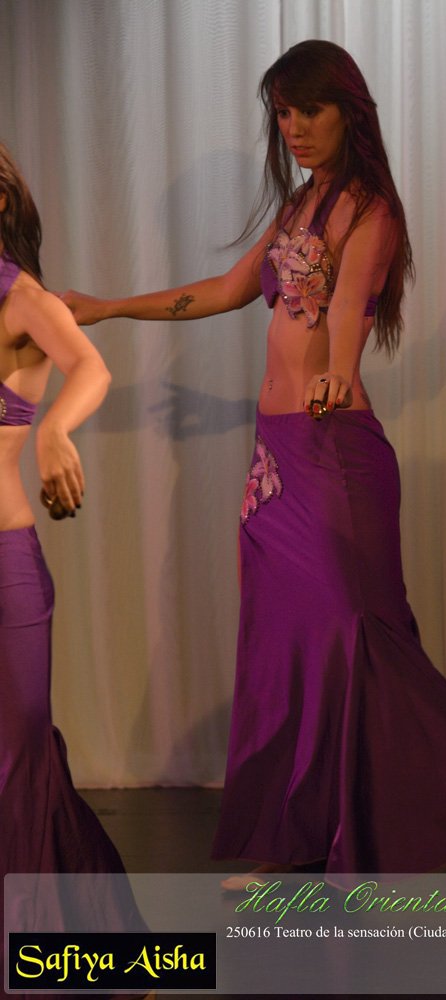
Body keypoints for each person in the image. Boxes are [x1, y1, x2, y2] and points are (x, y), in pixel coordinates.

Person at [64, 40, 446, 902]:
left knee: (365, 646)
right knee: (286, 652)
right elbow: (224, 290)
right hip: (275, 457)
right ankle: (300, 842)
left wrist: (338, 372)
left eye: (309, 110)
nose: (294, 128)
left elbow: (349, 306)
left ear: (347, 112)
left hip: (334, 454)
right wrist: (107, 308)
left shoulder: (370, 210)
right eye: (282, 113)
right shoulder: (297, 206)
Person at [0, 144, 148, 999]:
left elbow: (91, 366)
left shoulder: (22, 298)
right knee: (30, 773)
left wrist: (55, 429)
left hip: (6, 570)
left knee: (18, 766)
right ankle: (114, 948)